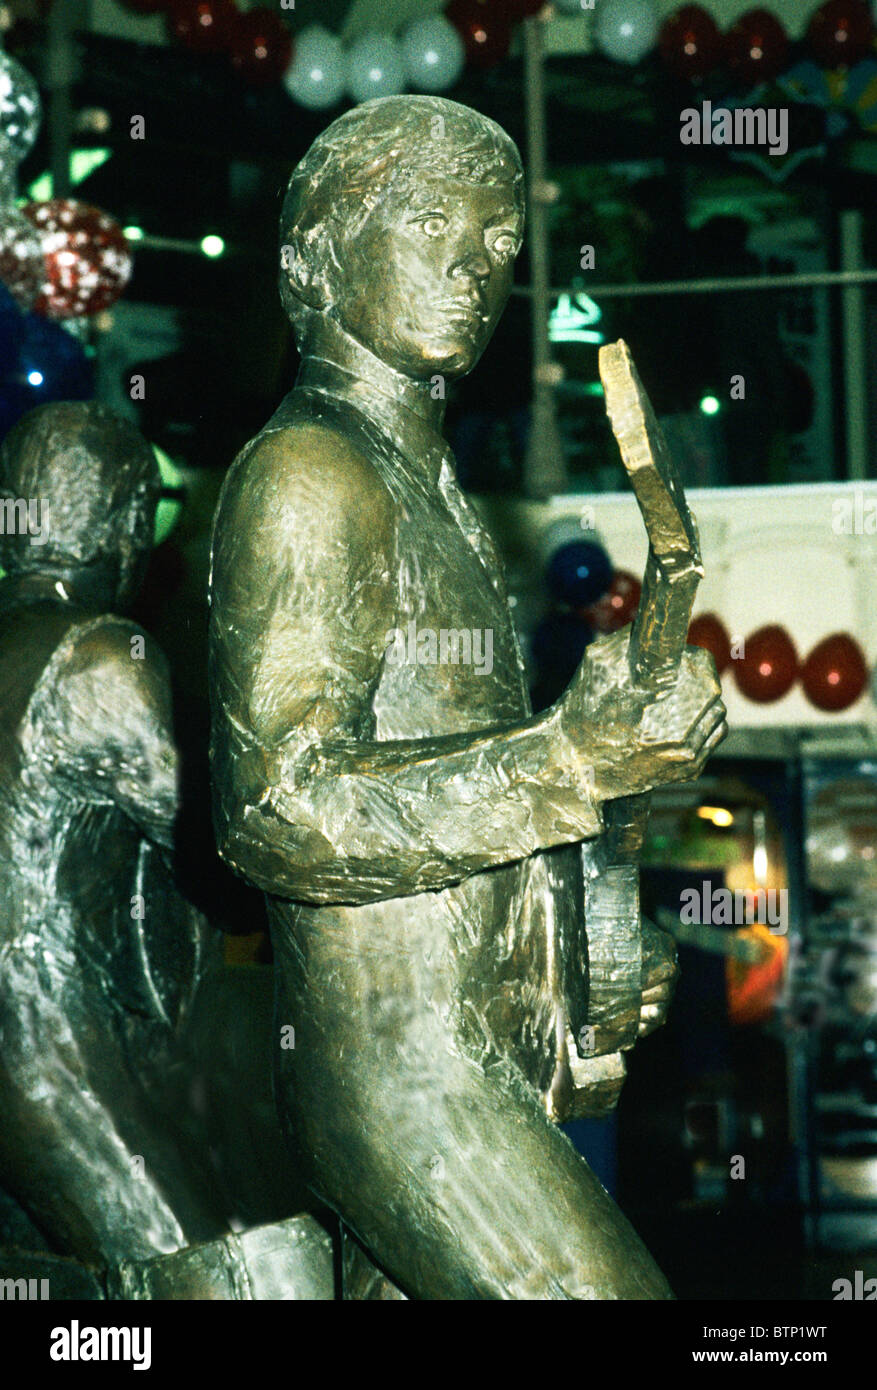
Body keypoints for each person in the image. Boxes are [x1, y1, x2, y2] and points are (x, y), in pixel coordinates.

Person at [208, 96, 727, 1300]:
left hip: (475, 1054)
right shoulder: (310, 473)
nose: (473, 266)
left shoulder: (425, 485)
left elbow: (454, 788)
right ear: (323, 250)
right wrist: (569, 760)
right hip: (405, 1083)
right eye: (430, 218)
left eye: (498, 243)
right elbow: (278, 807)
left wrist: (580, 949)